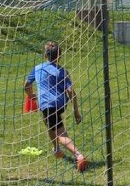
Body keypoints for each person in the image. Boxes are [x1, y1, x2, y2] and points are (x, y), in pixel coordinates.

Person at [24, 41, 88, 172]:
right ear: (60, 56)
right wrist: (76, 112)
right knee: (49, 123)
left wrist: (31, 96)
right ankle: (56, 149)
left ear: (45, 55)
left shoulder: (37, 68)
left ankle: (79, 156)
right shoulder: (63, 71)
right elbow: (71, 92)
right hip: (59, 104)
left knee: (61, 134)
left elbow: (26, 85)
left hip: (47, 105)